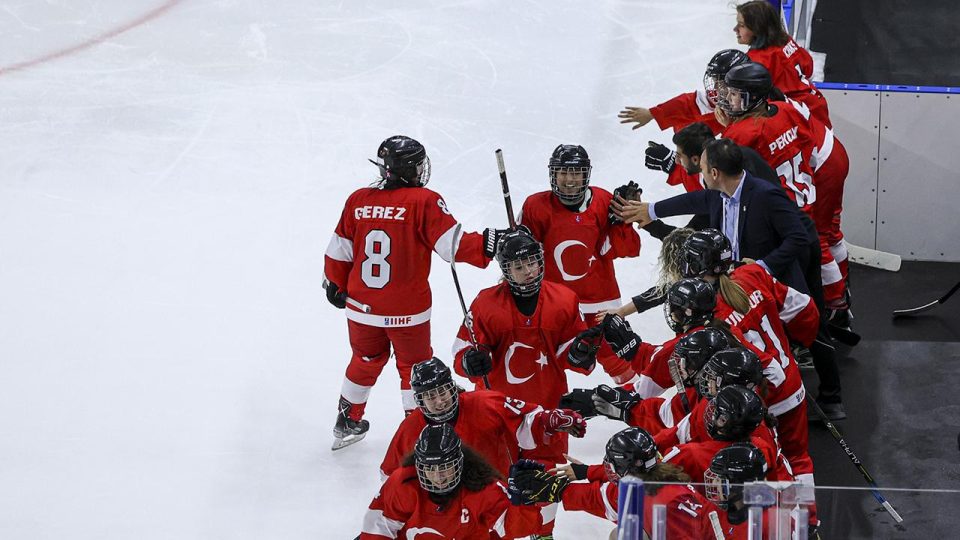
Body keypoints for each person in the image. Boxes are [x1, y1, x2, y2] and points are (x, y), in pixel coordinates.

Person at [324, 135, 512, 449]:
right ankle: (422, 431)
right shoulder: (423, 201)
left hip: (361, 306)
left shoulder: (358, 199)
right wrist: (490, 242)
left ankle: (347, 420)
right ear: (412, 169)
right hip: (406, 311)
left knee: (365, 358)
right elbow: (452, 245)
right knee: (414, 369)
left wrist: (334, 284)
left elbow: (338, 251)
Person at [714, 62, 847, 312]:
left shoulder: (741, 133)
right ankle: (838, 304)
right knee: (822, 252)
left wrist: (727, 130)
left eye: (734, 94)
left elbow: (715, 178)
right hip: (805, 206)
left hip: (781, 224)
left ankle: (831, 312)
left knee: (791, 292)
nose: (728, 99)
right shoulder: (787, 109)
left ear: (751, 98)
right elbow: (811, 151)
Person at [614, 138, 810, 294]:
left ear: (714, 173)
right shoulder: (718, 195)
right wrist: (649, 210)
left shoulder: (765, 195)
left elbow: (799, 238)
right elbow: (689, 201)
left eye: (703, 169)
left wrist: (762, 266)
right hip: (737, 289)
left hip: (774, 290)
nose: (701, 173)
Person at [518, 144, 642, 385]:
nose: (570, 180)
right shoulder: (535, 206)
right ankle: (545, 413)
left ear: (586, 174)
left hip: (600, 300)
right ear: (553, 174)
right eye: (563, 172)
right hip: (554, 302)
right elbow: (522, 254)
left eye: (576, 173)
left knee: (618, 357)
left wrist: (623, 222)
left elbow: (629, 250)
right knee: (544, 359)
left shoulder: (604, 201)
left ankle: (637, 404)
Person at [379, 358, 587, 480]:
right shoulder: (411, 428)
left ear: (452, 387)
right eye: (430, 396)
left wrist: (549, 420)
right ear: (419, 399)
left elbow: (526, 420)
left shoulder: (485, 403)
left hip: (494, 493)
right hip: (443, 504)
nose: (439, 401)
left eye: (442, 392)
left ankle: (541, 528)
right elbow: (391, 476)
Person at [513, 427, 719, 538]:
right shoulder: (664, 475)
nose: (608, 468)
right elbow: (604, 497)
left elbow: (603, 498)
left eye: (611, 463)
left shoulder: (650, 500)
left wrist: (559, 491)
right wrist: (568, 486)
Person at [360, 424, 542, 539]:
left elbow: (516, 530)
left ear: (460, 462)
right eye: (430, 468)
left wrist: (523, 503)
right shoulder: (403, 482)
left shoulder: (484, 488)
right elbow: (378, 528)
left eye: (445, 466)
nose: (438, 475)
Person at [734, 0, 831, 127]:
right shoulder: (785, 40)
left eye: (741, 25)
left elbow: (753, 104)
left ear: (757, 28)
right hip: (815, 106)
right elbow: (809, 68)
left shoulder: (756, 62)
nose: (735, 29)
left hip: (795, 119)